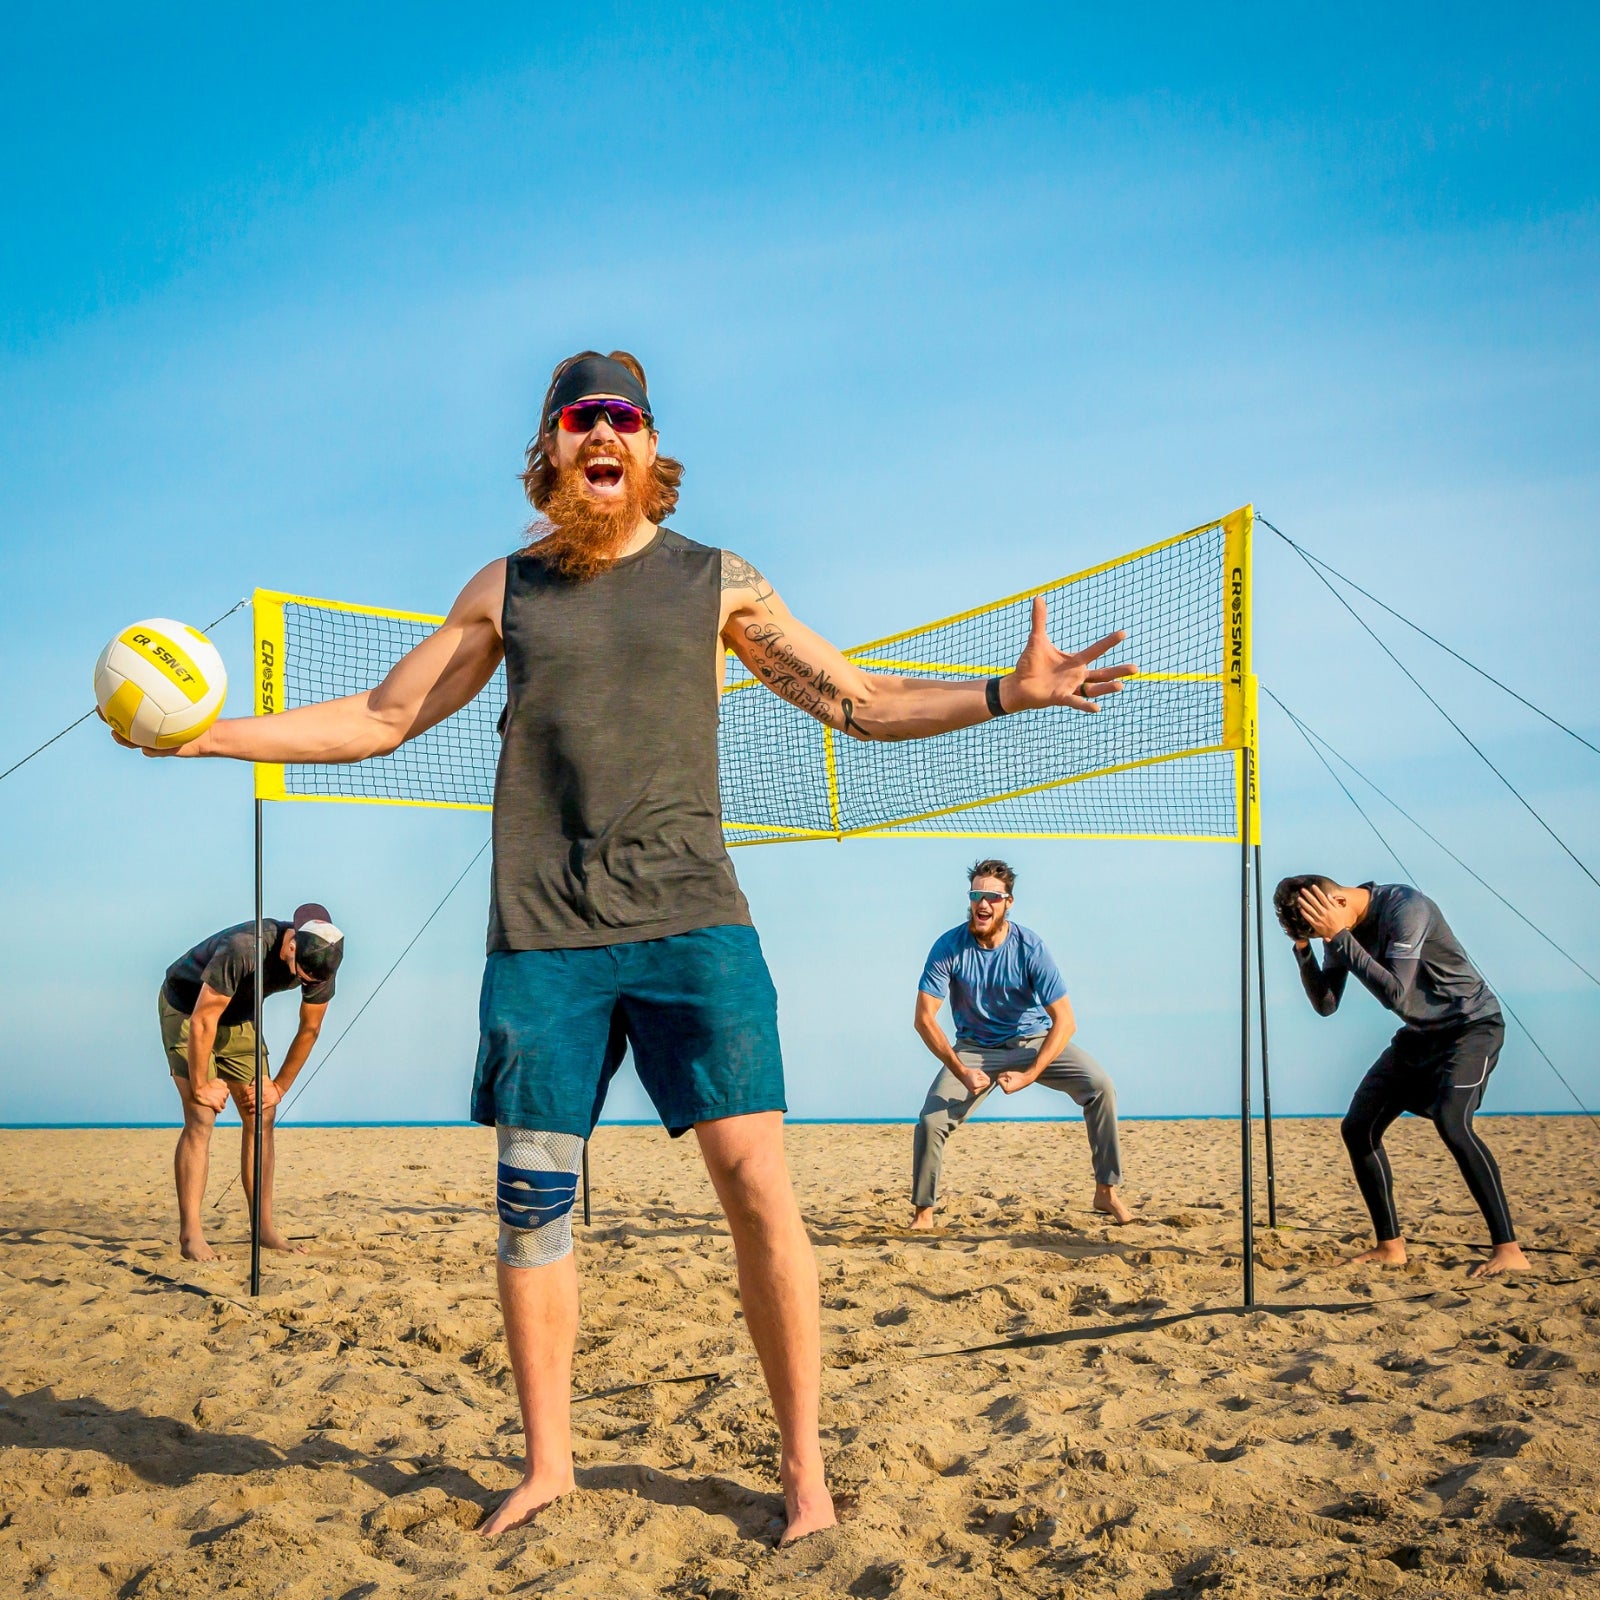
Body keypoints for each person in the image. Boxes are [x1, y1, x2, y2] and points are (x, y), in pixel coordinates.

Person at [109, 349, 1135, 1542]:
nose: (605, 433)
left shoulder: (717, 581)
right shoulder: (506, 589)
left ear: (650, 452)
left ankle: (803, 1472)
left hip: (694, 925)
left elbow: (858, 704)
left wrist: (1004, 696)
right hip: (543, 942)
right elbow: (380, 720)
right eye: (580, 418)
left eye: (626, 418)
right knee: (532, 1202)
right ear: (550, 451)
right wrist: (203, 738)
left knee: (757, 1188)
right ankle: (550, 1467)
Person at [1275, 874, 1529, 1278]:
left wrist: (1338, 937)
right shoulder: (1337, 928)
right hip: (1418, 1036)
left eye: (1318, 926)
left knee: (1452, 1122)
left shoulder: (1405, 908)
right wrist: (1305, 949)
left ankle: (1509, 1249)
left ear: (1336, 900)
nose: (1324, 935)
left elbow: (1395, 992)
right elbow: (1327, 1004)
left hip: (1470, 1028)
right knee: (1357, 1128)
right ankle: (1390, 1247)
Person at [910, 859, 1132, 1230]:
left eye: (992, 897)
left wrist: (1031, 1074)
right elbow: (924, 1019)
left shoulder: (1030, 946)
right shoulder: (948, 947)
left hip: (1033, 1040)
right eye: (977, 895)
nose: (983, 904)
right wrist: (962, 1071)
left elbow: (1066, 1021)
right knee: (931, 1122)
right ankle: (924, 1212)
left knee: (1101, 1088)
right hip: (974, 1048)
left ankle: (1106, 1191)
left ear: (1008, 902)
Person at [159, 904, 344, 1261]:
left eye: (312, 982)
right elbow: (202, 1020)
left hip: (239, 1014)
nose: (306, 984)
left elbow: (311, 1027)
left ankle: (263, 1229)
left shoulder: (324, 959)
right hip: (187, 1007)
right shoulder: (244, 947)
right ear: (291, 946)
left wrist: (279, 1087)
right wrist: (200, 1085)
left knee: (262, 1112)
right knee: (201, 1115)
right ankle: (191, 1235)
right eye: (301, 976)